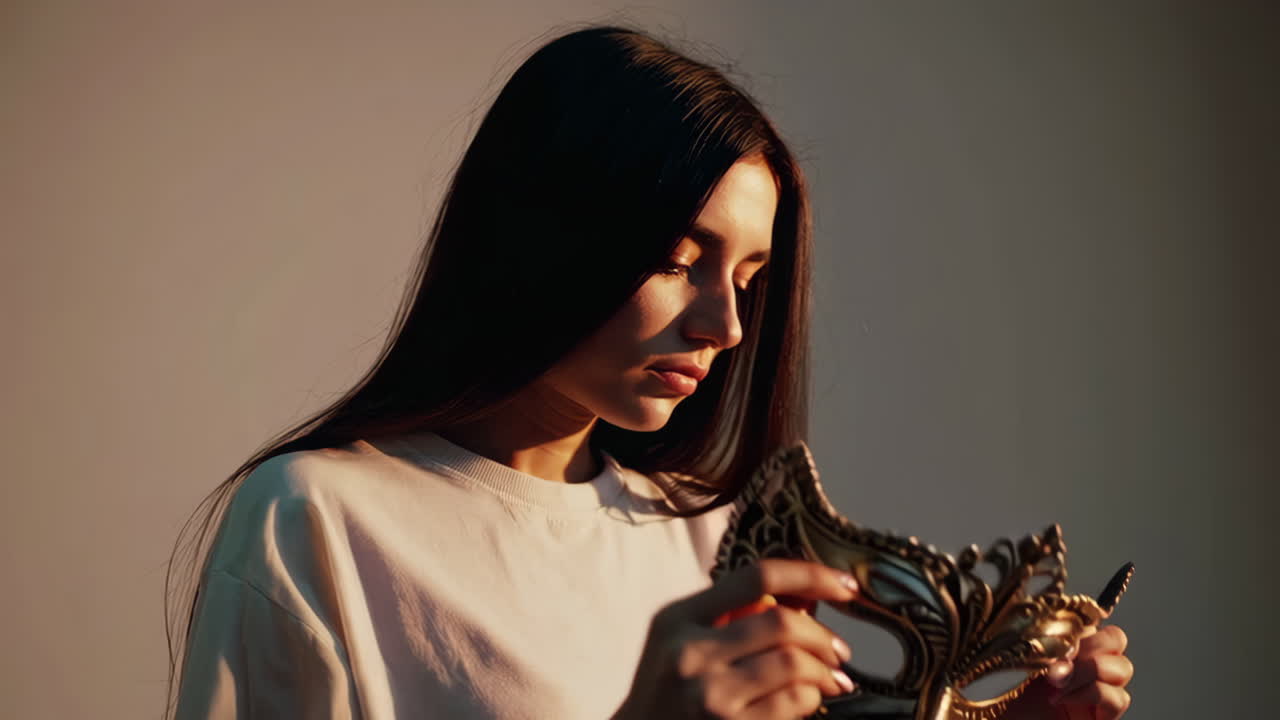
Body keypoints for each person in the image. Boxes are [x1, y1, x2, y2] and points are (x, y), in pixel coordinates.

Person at [164, 24, 1133, 720]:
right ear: (546, 237)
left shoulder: (703, 537)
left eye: (748, 278)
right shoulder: (319, 521)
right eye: (677, 261)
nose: (723, 325)